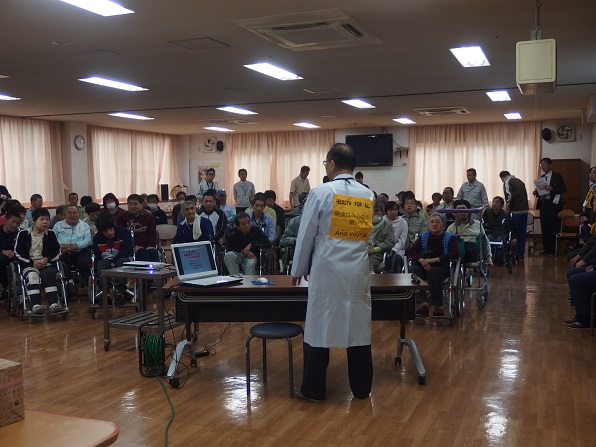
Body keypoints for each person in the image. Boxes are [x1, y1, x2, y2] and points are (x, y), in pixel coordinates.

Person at [291, 143, 375, 402]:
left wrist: (298, 268)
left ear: (331, 164)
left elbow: (306, 233)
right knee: (358, 329)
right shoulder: (367, 194)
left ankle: (314, 390)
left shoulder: (321, 192)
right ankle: (361, 389)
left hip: (327, 268)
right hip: (357, 268)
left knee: (320, 326)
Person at [406, 212, 459, 317]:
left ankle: (437, 306)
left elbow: (454, 254)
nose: (434, 224)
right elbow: (411, 251)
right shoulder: (423, 236)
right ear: (428, 225)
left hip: (443, 267)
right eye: (432, 222)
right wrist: (422, 260)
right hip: (424, 265)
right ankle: (423, 303)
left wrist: (433, 260)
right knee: (413, 270)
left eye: (438, 222)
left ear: (444, 225)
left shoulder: (450, 237)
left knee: (434, 272)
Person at [14, 208, 62, 315]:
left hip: (46, 263)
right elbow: (17, 253)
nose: (45, 222)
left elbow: (57, 251)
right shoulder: (23, 234)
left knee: (49, 274)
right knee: (32, 276)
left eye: (47, 219)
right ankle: (35, 305)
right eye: (41, 219)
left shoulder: (51, 234)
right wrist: (32, 263)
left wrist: (47, 259)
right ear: (33, 221)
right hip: (28, 264)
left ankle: (54, 304)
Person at [93, 214, 134, 304]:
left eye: (110, 229)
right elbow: (97, 255)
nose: (109, 233)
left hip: (122, 258)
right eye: (105, 231)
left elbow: (127, 251)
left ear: (114, 226)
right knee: (101, 264)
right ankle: (107, 291)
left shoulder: (124, 233)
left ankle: (120, 291)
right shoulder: (97, 239)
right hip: (106, 260)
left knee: (122, 262)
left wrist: (114, 261)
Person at [533, 158, 566, 256]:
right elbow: (541, 191)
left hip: (552, 205)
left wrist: (551, 188)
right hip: (543, 204)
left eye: (544, 164)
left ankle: (552, 250)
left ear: (550, 165)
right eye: (541, 165)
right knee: (544, 227)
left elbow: (563, 189)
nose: (542, 166)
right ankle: (546, 249)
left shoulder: (556, 176)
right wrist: (536, 192)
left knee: (552, 227)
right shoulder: (542, 177)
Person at [53, 205, 92, 283]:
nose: (72, 215)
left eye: (74, 213)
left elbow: (87, 240)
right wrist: (61, 246)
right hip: (63, 251)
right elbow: (53, 239)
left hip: (80, 251)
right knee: (62, 261)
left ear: (79, 214)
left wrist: (76, 246)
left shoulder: (85, 225)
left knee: (84, 263)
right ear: (65, 214)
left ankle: (89, 284)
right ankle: (68, 284)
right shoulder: (58, 225)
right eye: (69, 213)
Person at [447, 199, 493, 266]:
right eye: (458, 209)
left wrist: (489, 258)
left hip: (473, 250)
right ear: (455, 213)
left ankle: (460, 263)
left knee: (466, 249)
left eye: (463, 209)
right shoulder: (451, 227)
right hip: (458, 250)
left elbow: (485, 241)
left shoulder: (478, 224)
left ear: (468, 211)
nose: (461, 212)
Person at [117, 194, 160, 262]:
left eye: (135, 204)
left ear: (141, 204)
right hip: (129, 247)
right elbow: (121, 236)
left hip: (146, 246)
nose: (132, 206)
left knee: (153, 253)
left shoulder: (148, 216)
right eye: (130, 204)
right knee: (143, 253)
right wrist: (133, 246)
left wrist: (149, 245)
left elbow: (152, 233)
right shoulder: (122, 217)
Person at [499, 171, 528, 260]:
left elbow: (509, 196)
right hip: (525, 210)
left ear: (503, 177)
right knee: (522, 232)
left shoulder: (507, 181)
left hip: (515, 211)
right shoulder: (519, 181)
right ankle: (521, 252)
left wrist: (507, 209)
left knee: (514, 232)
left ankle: (513, 252)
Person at [368, 200, 395, 273]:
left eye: (377, 210)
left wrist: (374, 250)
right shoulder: (364, 223)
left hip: (377, 253)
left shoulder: (388, 226)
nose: (374, 213)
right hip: (363, 250)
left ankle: (371, 276)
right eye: (372, 210)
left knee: (368, 261)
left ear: (382, 212)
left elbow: (390, 242)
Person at [384, 201, 408, 272]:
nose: (393, 212)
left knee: (396, 259)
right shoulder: (382, 221)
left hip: (398, 249)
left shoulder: (403, 222)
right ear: (386, 211)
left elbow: (402, 240)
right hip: (383, 248)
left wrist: (394, 249)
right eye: (391, 210)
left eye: (395, 210)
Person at [0, 211, 20, 299]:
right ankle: (6, 287)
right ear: (5, 221)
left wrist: (14, 252)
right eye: (13, 222)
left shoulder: (19, 233)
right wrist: (2, 251)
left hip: (16, 256)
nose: (15, 225)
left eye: (17, 223)